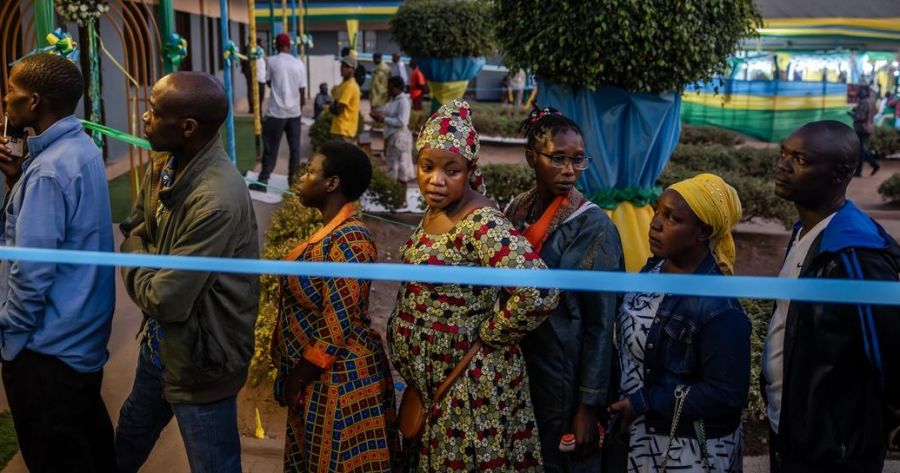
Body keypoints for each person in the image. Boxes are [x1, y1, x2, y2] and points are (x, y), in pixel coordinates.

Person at [387, 99, 559, 472]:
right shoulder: (436, 210)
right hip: (434, 391)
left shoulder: (482, 223)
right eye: (427, 167)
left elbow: (540, 290)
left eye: (451, 170)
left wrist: (490, 334)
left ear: (470, 170)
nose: (436, 180)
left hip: (469, 392)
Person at [116, 72, 260, 473]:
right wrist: (140, 244)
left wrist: (133, 251)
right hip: (160, 347)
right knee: (129, 436)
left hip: (201, 361)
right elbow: (135, 223)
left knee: (213, 463)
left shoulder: (215, 199)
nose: (144, 117)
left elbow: (165, 298)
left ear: (188, 127)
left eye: (154, 111)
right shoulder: (165, 164)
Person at [0, 53, 115, 473]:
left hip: (46, 353)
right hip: (80, 343)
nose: (5, 100)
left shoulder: (48, 171)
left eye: (11, 91)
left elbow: (31, 275)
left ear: (33, 102)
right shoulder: (81, 148)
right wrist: (16, 179)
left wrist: (11, 342)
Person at [763, 120, 900, 473]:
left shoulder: (856, 254)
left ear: (839, 174)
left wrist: (892, 415)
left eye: (800, 160)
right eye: (783, 153)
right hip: (790, 430)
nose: (782, 165)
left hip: (833, 450)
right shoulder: (806, 232)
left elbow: (888, 348)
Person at [504, 107, 624, 472]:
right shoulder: (516, 210)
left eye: (578, 160)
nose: (570, 170)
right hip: (519, 369)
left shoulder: (594, 227)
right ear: (531, 157)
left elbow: (602, 324)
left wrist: (588, 405)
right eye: (558, 159)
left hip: (565, 378)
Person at [609, 173, 750, 472]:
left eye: (671, 217)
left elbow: (726, 394)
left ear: (703, 231)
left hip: (685, 450)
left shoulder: (719, 307)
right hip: (642, 438)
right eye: (658, 211)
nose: (655, 223)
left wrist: (645, 402)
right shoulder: (654, 269)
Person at [273, 141, 399, 472]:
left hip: (341, 382)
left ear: (331, 183)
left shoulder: (351, 241)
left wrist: (296, 379)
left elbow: (336, 326)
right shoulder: (333, 234)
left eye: (310, 171)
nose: (302, 178)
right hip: (320, 381)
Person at [250, 33, 307, 192]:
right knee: (295, 150)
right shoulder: (299, 63)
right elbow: (302, 89)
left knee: (270, 149)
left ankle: (263, 181)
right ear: (289, 46)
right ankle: (293, 183)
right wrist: (299, 107)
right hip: (294, 113)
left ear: (277, 45)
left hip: (276, 113)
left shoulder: (272, 61)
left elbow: (268, 81)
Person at [370, 76, 414, 182]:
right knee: (392, 169)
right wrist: (378, 114)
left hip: (400, 139)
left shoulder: (403, 101)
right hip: (392, 137)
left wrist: (383, 119)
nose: (388, 90)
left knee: (401, 171)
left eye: (390, 87)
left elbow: (402, 122)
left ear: (398, 88)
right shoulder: (393, 101)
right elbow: (385, 110)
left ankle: (401, 192)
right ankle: (395, 191)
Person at [330, 55, 361, 143]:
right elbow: (333, 95)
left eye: (347, 67)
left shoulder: (350, 86)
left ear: (353, 69)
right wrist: (333, 105)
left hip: (345, 131)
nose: (343, 68)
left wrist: (331, 107)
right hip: (339, 129)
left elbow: (338, 110)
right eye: (342, 65)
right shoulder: (343, 85)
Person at [852, 85, 880, 176]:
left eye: (860, 91)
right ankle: (873, 164)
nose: (859, 93)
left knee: (861, 151)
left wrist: (853, 114)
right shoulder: (871, 101)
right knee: (862, 149)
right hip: (868, 128)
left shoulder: (864, 102)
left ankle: (861, 170)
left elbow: (861, 117)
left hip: (862, 128)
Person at [240, 37, 266, 114]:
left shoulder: (259, 49)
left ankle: (257, 107)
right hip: (249, 73)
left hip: (259, 73)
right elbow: (243, 59)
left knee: (259, 90)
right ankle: (252, 107)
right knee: (251, 90)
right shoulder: (247, 48)